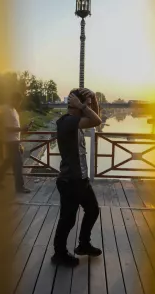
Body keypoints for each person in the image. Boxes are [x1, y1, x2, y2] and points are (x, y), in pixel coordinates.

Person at [51, 88, 103, 267]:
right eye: (85, 105)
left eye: (88, 105)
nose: (88, 108)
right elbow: (97, 120)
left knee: (93, 210)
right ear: (75, 105)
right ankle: (59, 254)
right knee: (68, 219)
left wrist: (94, 98)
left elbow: (95, 119)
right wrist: (82, 105)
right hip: (69, 181)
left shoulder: (77, 122)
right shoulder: (66, 122)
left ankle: (84, 244)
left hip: (80, 179)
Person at [0, 92, 32, 193]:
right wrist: (21, 129)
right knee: (18, 164)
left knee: (8, 162)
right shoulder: (7, 110)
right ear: (14, 99)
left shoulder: (14, 110)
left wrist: (22, 129)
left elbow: (14, 126)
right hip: (11, 141)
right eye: (19, 101)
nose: (19, 103)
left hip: (15, 140)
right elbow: (7, 128)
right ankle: (19, 187)